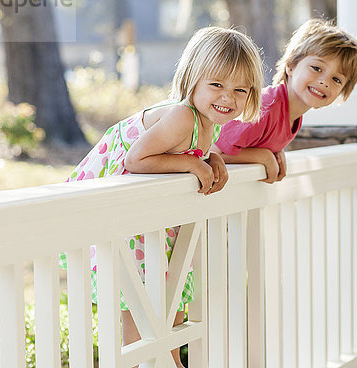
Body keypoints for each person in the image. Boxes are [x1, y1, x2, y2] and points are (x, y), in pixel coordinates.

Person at [60, 26, 263, 367]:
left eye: (239, 90)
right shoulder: (183, 115)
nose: (227, 98)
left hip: (149, 229)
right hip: (123, 226)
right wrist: (191, 163)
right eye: (217, 85)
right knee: (140, 337)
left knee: (166, 335)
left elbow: (187, 153)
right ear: (193, 80)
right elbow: (135, 159)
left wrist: (210, 158)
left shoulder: (206, 120)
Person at [211, 19, 357, 182]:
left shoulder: (293, 115)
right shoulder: (265, 107)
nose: (324, 82)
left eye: (336, 79)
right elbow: (213, 152)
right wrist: (264, 156)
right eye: (316, 68)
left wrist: (274, 151)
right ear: (291, 65)